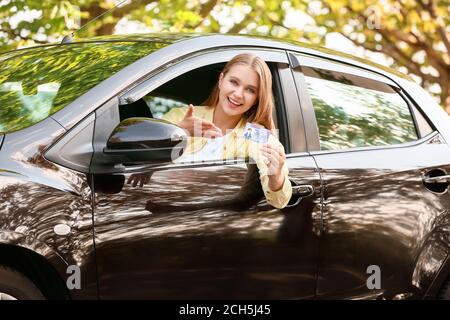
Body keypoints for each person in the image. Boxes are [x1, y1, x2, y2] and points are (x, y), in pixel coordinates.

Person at [161, 53, 292, 209]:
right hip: (156, 215)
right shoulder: (180, 115)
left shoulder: (257, 135)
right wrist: (179, 132)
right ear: (221, 80)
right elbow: (138, 154)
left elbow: (280, 201)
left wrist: (276, 178)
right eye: (234, 82)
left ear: (257, 98)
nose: (238, 94)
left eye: (250, 90)